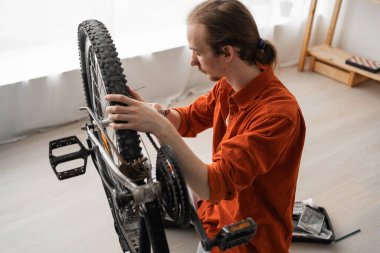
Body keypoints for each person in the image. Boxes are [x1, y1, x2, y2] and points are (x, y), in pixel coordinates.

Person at [105, 0, 306, 252]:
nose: (192, 61)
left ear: (227, 53)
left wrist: (160, 128)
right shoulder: (229, 83)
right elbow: (189, 118)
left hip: (248, 238)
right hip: (218, 205)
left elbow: (213, 186)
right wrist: (154, 112)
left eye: (198, 52)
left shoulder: (277, 115)